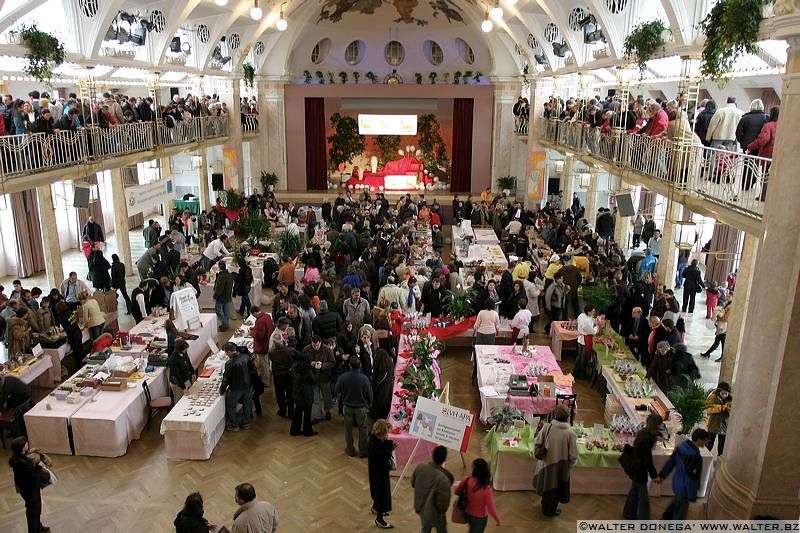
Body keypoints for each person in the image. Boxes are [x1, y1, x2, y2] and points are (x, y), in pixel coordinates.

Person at [533, 404, 578, 517]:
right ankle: (550, 511)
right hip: (561, 467)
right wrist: (571, 465)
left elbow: (537, 443)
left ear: (555, 415)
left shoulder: (547, 427)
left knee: (546, 486)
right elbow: (573, 455)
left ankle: (544, 507)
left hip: (546, 464)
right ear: (567, 417)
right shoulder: (570, 434)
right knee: (556, 490)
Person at [658, 428, 709, 520]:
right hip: (685, 488)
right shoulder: (694, 457)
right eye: (705, 440)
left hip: (677, 483)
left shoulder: (682, 446)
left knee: (677, 502)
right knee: (680, 513)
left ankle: (666, 518)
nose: (706, 442)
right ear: (699, 440)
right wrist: (691, 495)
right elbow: (691, 478)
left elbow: (671, 462)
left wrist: (662, 475)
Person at [623, 413, 664, 520]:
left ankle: (629, 513)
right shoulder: (649, 439)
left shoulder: (643, 432)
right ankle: (644, 520)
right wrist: (654, 475)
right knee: (643, 497)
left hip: (635, 466)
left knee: (634, 491)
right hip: (640, 469)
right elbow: (648, 460)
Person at [9, 436, 50, 533]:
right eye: (25, 443)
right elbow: (33, 477)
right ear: (22, 448)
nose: (27, 444)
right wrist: (39, 467)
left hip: (26, 490)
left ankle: (39, 528)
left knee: (33, 513)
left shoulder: (18, 458)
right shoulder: (22, 463)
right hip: (31, 491)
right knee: (34, 512)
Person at [335, 354, 373, 456]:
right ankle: (363, 451)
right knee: (363, 429)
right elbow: (369, 395)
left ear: (350, 366)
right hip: (361, 408)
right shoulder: (364, 379)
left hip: (347, 407)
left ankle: (350, 449)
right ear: (359, 365)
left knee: (348, 430)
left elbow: (336, 390)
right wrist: (369, 403)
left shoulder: (343, 377)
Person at [411, 445, 454, 533]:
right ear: (444, 459)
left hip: (421, 507)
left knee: (425, 528)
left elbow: (413, 483)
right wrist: (441, 512)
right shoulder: (444, 478)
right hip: (437, 513)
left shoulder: (420, 468)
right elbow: (444, 502)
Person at [455, 458, 501, 531]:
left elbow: (456, 492)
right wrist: (497, 519)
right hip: (480, 518)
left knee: (472, 529)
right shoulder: (487, 489)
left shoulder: (466, 480)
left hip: (467, 513)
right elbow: (491, 508)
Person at [368, 419, 396, 529]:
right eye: (386, 434)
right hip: (380, 475)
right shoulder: (376, 446)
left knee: (377, 493)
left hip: (376, 473)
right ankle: (379, 519)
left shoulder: (373, 440)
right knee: (381, 495)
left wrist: (390, 446)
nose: (387, 436)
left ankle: (375, 508)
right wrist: (391, 447)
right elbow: (383, 457)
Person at [219, 342, 253, 432]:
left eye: (226, 352)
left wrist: (222, 389)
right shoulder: (246, 357)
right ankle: (246, 422)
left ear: (230, 352)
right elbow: (252, 370)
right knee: (247, 404)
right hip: (248, 385)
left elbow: (226, 378)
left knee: (231, 406)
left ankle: (233, 425)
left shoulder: (230, 363)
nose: (226, 354)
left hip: (236, 388)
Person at [304, 335, 335, 423]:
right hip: (313, 378)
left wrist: (323, 365)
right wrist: (311, 363)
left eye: (317, 345)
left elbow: (332, 362)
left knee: (327, 396)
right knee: (315, 398)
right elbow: (302, 361)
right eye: (314, 345)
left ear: (320, 343)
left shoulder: (327, 350)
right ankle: (318, 416)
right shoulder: (306, 349)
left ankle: (328, 411)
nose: (316, 347)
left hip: (325, 377)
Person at [289, 349, 318, 437]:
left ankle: (294, 430)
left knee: (297, 413)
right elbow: (314, 380)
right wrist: (316, 369)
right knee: (307, 415)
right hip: (307, 395)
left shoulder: (294, 367)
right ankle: (307, 431)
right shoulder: (307, 370)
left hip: (297, 393)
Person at [269, 342, 296, 419]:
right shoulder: (290, 350)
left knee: (279, 394)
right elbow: (296, 356)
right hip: (288, 374)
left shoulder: (272, 352)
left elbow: (270, 358)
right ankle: (291, 412)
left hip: (278, 375)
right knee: (290, 393)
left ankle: (283, 411)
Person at [706, 382, 732, 455]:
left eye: (726, 393)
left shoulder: (731, 400)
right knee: (708, 445)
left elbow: (733, 413)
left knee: (722, 447)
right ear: (719, 392)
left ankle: (719, 463)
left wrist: (728, 409)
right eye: (722, 393)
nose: (724, 395)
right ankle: (704, 460)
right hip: (712, 424)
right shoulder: (713, 397)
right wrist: (721, 408)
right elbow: (708, 408)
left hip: (724, 427)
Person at [369, 348, 395, 422]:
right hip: (387, 394)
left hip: (380, 396)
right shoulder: (390, 365)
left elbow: (375, 385)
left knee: (378, 416)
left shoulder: (380, 371)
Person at [574, 304, 598, 379]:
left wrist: (596, 320)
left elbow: (591, 319)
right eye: (593, 311)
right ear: (588, 312)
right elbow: (592, 331)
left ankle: (575, 373)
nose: (594, 313)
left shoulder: (582, 315)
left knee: (579, 356)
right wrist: (598, 326)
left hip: (581, 338)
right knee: (583, 358)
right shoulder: (585, 321)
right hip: (585, 339)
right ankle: (581, 375)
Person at [214, 261, 234, 331]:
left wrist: (215, 296)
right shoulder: (229, 275)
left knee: (218, 310)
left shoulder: (221, 276)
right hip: (228, 295)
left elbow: (219, 288)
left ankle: (225, 324)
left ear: (219, 267)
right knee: (226, 311)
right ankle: (226, 323)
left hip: (221, 297)